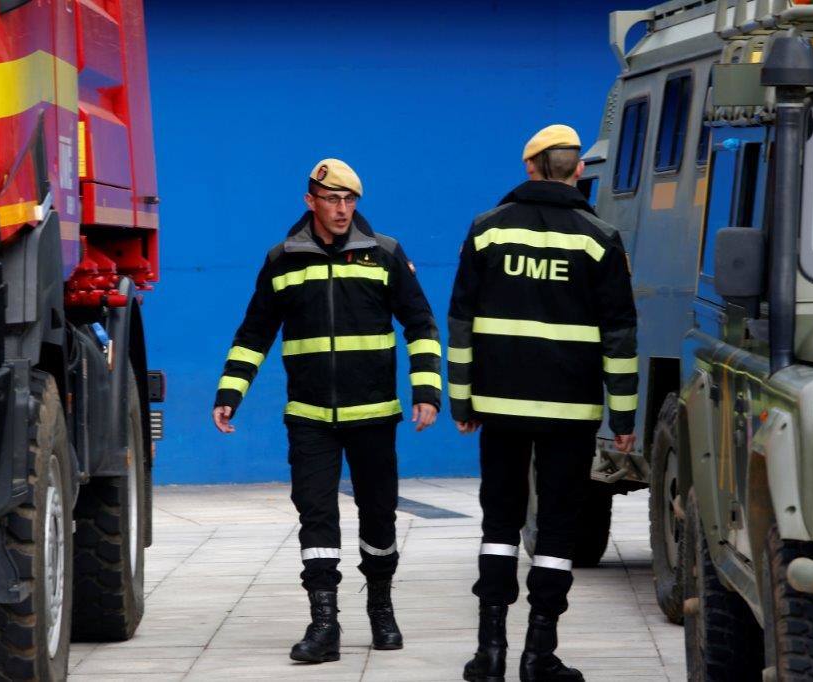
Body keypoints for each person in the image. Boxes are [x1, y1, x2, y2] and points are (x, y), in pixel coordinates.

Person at [212, 159, 442, 664]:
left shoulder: (383, 254)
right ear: (310, 200)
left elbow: (420, 323)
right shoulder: (283, 260)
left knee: (378, 517)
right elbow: (254, 334)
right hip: (309, 417)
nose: (342, 210)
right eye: (333, 200)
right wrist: (230, 393)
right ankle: (324, 624)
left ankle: (381, 609)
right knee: (316, 516)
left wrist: (427, 390)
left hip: (375, 415)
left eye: (350, 200)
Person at [448, 125, 638, 682]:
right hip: (570, 415)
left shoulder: (485, 232)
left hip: (500, 408)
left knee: (500, 523)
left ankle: (490, 653)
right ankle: (539, 655)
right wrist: (622, 417)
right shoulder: (600, 238)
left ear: (530, 167)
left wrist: (463, 400)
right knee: (556, 532)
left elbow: (461, 322)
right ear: (577, 171)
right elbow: (620, 336)